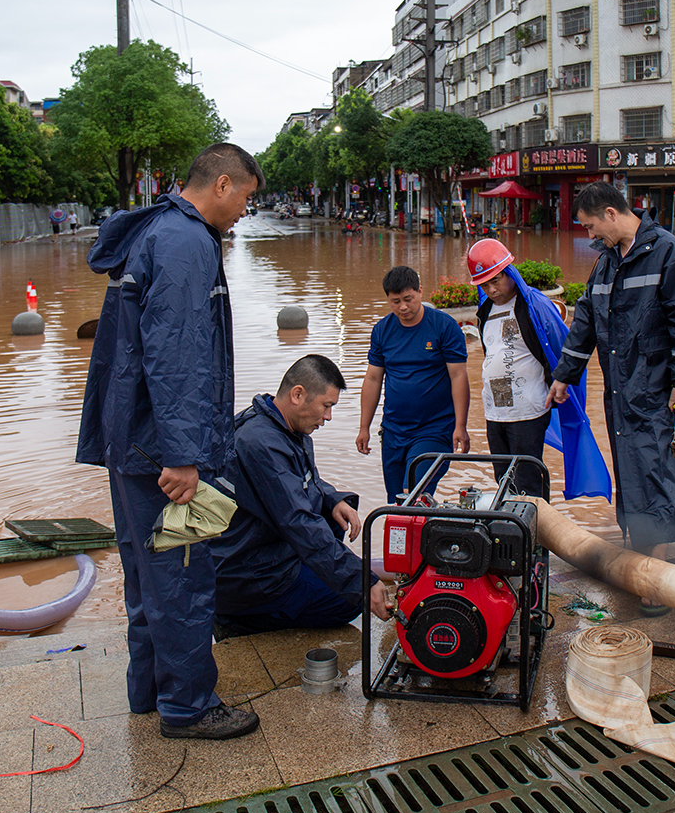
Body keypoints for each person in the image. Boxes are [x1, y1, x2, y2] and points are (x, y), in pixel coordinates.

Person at [76, 142, 265, 741]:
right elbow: (177, 356)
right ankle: (188, 707)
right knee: (182, 576)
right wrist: (184, 457)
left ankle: (148, 693)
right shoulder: (186, 244)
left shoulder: (152, 229)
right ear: (222, 185)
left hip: (131, 441)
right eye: (247, 199)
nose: (244, 213)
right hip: (162, 450)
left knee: (146, 573)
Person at [546, 183, 675, 616]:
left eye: (590, 226)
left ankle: (655, 577)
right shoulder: (606, 264)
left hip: (658, 391)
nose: (588, 236)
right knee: (635, 476)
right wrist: (565, 375)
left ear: (612, 214)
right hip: (623, 392)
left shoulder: (670, 255)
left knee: (658, 477)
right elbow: (585, 322)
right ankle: (639, 563)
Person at [212, 355, 392, 635]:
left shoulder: (283, 427)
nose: (328, 417)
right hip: (250, 574)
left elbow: (304, 481)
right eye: (326, 406)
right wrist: (361, 582)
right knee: (350, 602)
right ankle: (238, 620)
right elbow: (299, 522)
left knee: (332, 554)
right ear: (298, 394)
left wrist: (332, 500)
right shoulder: (261, 444)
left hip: (262, 552)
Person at [466, 238, 611, 501]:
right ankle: (511, 533)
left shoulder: (535, 305)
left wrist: (564, 382)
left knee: (528, 480)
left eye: (496, 280)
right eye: (484, 284)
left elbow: (563, 347)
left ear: (509, 272)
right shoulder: (485, 310)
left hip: (528, 410)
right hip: (495, 411)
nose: (491, 289)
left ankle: (536, 537)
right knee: (504, 479)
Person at [355, 266, 470, 501]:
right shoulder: (383, 330)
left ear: (420, 291)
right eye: (395, 301)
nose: (403, 307)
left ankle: (422, 533)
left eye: (408, 299)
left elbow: (458, 376)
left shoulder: (444, 327)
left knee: (416, 489)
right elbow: (373, 378)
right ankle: (408, 538)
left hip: (434, 429)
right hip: (394, 430)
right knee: (396, 501)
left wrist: (461, 426)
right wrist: (364, 427)